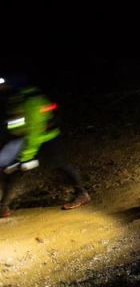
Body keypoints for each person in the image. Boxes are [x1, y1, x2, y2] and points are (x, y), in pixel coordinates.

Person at [0, 78, 90, 218]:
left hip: (48, 140)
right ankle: (3, 206)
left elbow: (34, 131)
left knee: (59, 165)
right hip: (28, 140)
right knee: (14, 171)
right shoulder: (16, 98)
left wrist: (26, 157)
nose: (2, 88)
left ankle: (82, 194)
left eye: (4, 85)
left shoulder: (30, 101)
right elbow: (17, 124)